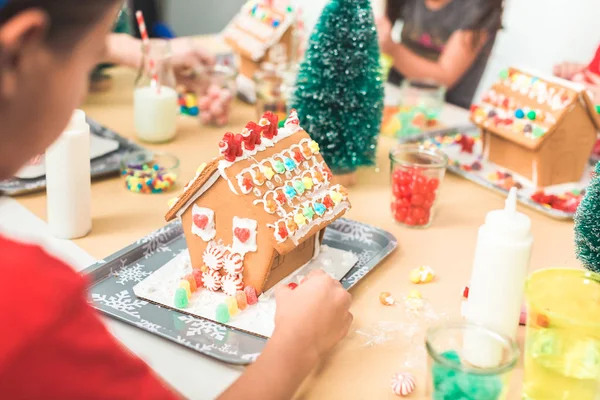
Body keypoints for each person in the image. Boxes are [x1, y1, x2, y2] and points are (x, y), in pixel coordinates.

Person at [0, 1, 353, 399]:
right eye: (87, 64)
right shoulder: (28, 303)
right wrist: (299, 343)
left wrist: (115, 47)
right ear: (19, 51)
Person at [377, 0, 503, 109]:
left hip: (444, 112)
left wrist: (391, 49)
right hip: (394, 97)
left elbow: (443, 79)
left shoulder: (479, 5)